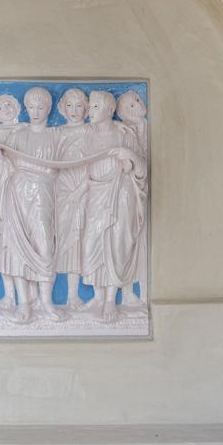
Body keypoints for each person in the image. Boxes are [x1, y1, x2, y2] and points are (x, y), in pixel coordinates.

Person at [0, 87, 63, 323]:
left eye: (41, 107)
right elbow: (3, 170)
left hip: (43, 193)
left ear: (49, 109)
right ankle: (24, 304)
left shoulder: (56, 135)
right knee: (17, 248)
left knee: (45, 246)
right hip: (17, 192)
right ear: (26, 108)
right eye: (31, 107)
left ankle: (46, 302)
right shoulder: (17, 136)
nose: (35, 112)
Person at [78, 90, 148, 321]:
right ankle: (98, 297)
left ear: (110, 110)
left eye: (96, 106)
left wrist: (130, 155)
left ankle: (110, 300)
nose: (90, 111)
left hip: (121, 194)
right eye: (90, 106)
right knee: (91, 244)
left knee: (118, 243)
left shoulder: (124, 135)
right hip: (95, 193)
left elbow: (142, 170)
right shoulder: (86, 135)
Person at [53, 88, 90, 307]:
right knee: (60, 241)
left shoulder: (91, 131)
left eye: (79, 106)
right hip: (60, 191)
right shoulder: (56, 132)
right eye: (69, 105)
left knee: (78, 240)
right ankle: (46, 297)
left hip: (84, 190)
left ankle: (73, 295)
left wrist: (82, 189)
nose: (74, 110)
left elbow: (95, 163)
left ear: (86, 108)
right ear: (62, 108)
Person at [0, 94, 21, 309]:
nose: (6, 109)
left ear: (17, 106)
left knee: (26, 244)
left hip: (25, 193)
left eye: (8, 104)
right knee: (4, 243)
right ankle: (9, 295)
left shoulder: (26, 130)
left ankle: (30, 296)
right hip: (2, 193)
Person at [116, 90, 149, 305]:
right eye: (130, 104)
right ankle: (126, 292)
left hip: (142, 195)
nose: (137, 104)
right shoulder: (122, 132)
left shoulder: (149, 129)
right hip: (127, 194)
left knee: (143, 246)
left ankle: (144, 295)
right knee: (124, 240)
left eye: (137, 99)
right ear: (120, 113)